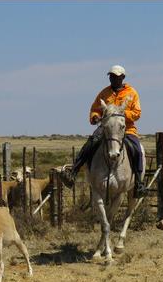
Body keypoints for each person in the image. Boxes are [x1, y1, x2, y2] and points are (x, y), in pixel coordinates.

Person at [62, 65, 146, 198]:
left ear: (122, 77)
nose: (113, 79)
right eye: (111, 76)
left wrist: (121, 114)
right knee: (91, 143)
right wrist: (95, 116)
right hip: (105, 127)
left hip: (126, 129)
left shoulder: (132, 93)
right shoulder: (104, 93)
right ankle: (73, 171)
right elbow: (95, 108)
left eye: (116, 76)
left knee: (136, 149)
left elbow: (137, 113)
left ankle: (139, 183)